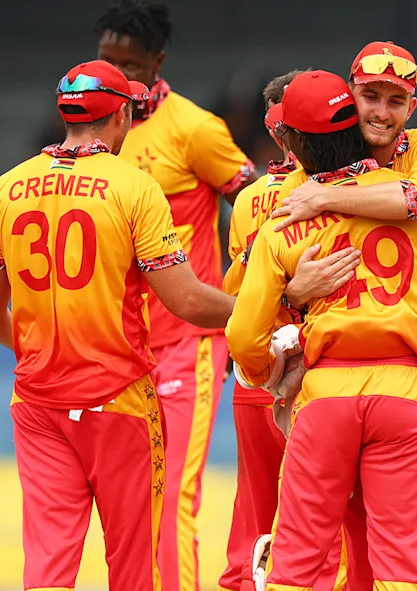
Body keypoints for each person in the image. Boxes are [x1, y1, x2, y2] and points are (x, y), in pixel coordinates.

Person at [227, 70, 417, 591]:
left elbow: (241, 333)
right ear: (352, 113)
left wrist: (271, 374)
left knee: (299, 560)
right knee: (403, 561)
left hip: (322, 390)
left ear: (292, 141)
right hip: (406, 389)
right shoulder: (413, 198)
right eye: (369, 98)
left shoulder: (279, 213)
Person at [0, 59, 236, 591]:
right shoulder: (135, 188)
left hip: (37, 405)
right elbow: (186, 300)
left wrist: (38, 357)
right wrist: (265, 305)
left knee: (47, 568)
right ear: (120, 116)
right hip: (119, 402)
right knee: (136, 567)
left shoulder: (4, 189)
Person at [94, 4, 256, 589]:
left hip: (187, 344)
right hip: (118, 350)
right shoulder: (91, 130)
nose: (115, 75)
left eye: (129, 65)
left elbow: (258, 203)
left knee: (172, 501)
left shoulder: (193, 129)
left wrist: (249, 287)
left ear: (158, 63)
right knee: (131, 503)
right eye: (106, 61)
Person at [217, 70, 357, 591]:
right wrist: (293, 294)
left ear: (279, 135)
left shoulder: (253, 199)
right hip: (322, 376)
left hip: (257, 376)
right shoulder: (366, 192)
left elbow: (237, 294)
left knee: (253, 520)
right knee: (333, 528)